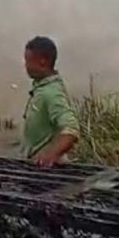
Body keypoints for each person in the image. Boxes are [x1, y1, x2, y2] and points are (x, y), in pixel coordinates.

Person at [22, 36, 79, 167]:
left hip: (47, 171)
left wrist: (51, 155)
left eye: (28, 61)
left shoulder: (52, 93)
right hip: (35, 166)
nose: (26, 66)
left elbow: (71, 129)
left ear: (43, 61)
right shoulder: (41, 88)